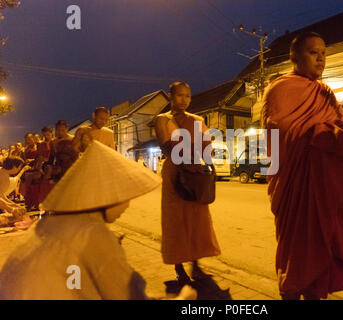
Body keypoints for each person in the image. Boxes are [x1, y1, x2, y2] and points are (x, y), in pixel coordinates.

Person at [0, 141, 196, 300]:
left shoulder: (48, 225)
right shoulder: (92, 234)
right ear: (105, 196)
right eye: (124, 196)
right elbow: (127, 295)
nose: (127, 205)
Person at [261, 32, 343, 300]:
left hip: (327, 187)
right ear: (294, 57)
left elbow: (341, 130)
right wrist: (319, 134)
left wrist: (333, 137)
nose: (321, 58)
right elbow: (277, 132)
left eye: (324, 53)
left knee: (325, 250)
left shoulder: (326, 93)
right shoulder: (280, 88)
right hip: (294, 183)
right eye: (313, 52)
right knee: (296, 253)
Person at [155, 81, 221, 286]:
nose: (184, 100)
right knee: (176, 220)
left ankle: (196, 264)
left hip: (195, 172)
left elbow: (207, 147)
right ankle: (179, 267)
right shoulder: (162, 120)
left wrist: (208, 167)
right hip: (176, 172)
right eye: (180, 95)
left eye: (188, 96)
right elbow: (167, 148)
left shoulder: (198, 120)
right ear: (171, 97)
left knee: (197, 219)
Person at [0, 157, 28, 227]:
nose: (19, 169)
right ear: (15, 167)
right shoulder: (4, 177)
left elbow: (1, 196)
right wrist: (12, 209)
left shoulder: (2, 172)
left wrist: (14, 205)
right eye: (19, 167)